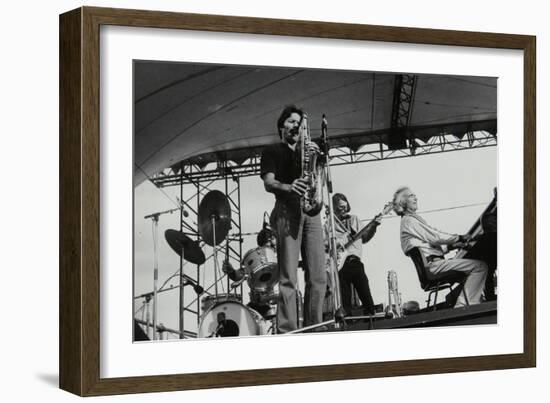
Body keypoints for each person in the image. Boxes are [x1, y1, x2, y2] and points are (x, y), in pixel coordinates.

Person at [260, 105, 327, 333]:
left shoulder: (306, 151)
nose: (295, 125)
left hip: (311, 211)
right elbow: (269, 183)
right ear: (281, 126)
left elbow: (318, 178)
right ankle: (288, 330)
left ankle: (315, 326)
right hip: (287, 210)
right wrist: (289, 186)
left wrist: (317, 159)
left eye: (298, 122)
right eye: (290, 121)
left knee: (318, 275)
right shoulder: (272, 151)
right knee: (289, 277)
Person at [392, 186, 488, 307]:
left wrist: (452, 246)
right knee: (480, 266)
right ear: (403, 202)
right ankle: (463, 305)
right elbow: (435, 237)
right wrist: (459, 237)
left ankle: (469, 301)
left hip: (433, 264)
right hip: (434, 267)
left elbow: (429, 247)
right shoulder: (409, 221)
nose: (416, 197)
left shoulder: (409, 221)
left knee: (473, 267)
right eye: (411, 196)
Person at [332, 193, 380, 316]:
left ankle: (371, 318)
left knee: (365, 292)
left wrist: (374, 226)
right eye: (339, 207)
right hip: (339, 265)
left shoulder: (354, 219)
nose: (342, 209)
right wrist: (336, 245)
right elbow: (324, 244)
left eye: (344, 206)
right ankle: (348, 326)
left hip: (354, 261)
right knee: (345, 300)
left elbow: (365, 238)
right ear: (334, 208)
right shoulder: (330, 225)